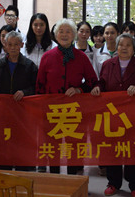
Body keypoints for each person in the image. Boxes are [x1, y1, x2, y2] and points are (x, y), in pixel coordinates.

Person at [36, 19, 99, 175]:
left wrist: (79, 89)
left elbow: (93, 82)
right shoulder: (47, 57)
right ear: (56, 35)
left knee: (74, 146)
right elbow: (40, 85)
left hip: (74, 110)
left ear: (74, 35)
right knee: (53, 146)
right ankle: (55, 178)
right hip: (52, 111)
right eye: (61, 31)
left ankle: (73, 179)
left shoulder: (81, 57)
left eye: (68, 31)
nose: (64, 35)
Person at [91, 33, 135, 197]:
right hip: (113, 114)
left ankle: (134, 185)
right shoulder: (107, 64)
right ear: (116, 47)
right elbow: (102, 82)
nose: (124, 48)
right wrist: (97, 87)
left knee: (132, 150)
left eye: (128, 45)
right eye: (121, 45)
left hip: (133, 115)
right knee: (112, 150)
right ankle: (113, 183)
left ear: (134, 48)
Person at [0, 31, 37, 171]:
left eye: (16, 44)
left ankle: (22, 174)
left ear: (22, 45)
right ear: (5, 45)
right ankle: (3, 174)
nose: (13, 48)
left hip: (22, 115)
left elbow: (36, 87)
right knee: (2, 145)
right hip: (2, 114)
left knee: (21, 145)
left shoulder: (29, 66)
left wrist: (25, 92)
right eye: (10, 44)